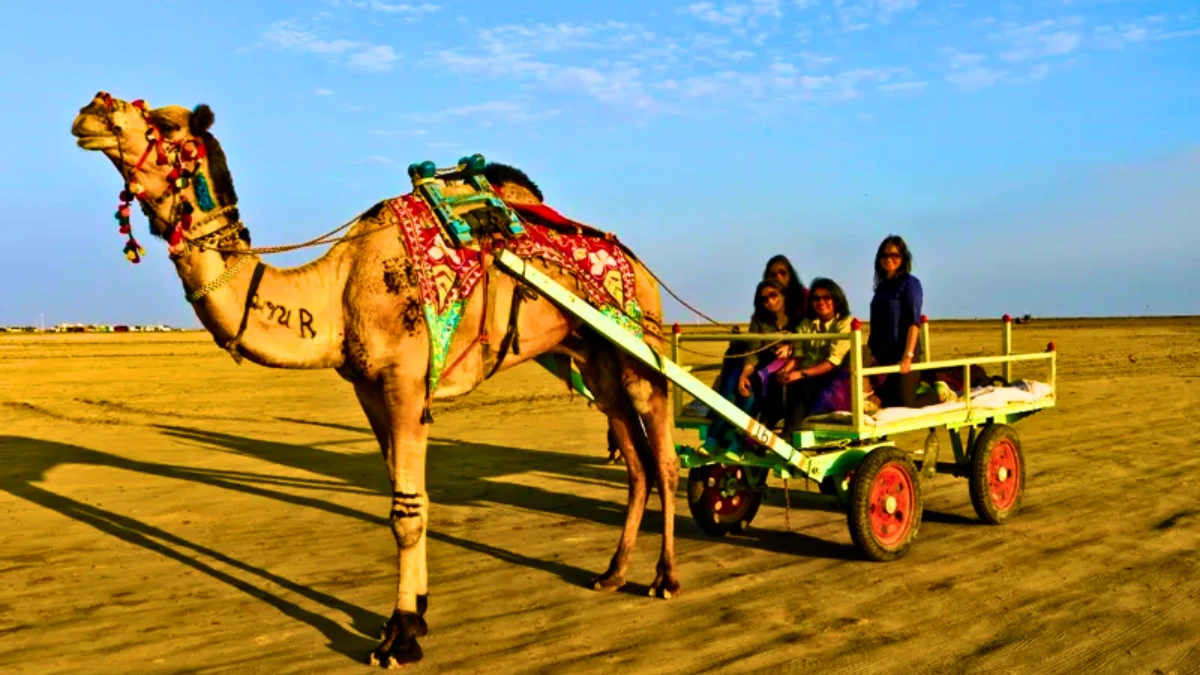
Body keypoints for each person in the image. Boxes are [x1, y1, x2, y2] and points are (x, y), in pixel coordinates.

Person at [701, 278, 798, 452]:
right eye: (764, 299)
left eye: (773, 295)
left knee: (750, 397)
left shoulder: (797, 319)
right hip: (757, 367)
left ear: (783, 295)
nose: (770, 301)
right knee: (732, 391)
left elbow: (806, 343)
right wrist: (744, 375)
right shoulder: (759, 320)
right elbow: (752, 351)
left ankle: (732, 439)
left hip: (779, 373)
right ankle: (714, 439)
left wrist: (791, 347)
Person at [772, 278, 858, 435]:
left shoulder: (845, 323)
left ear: (836, 299)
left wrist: (800, 374)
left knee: (800, 388)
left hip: (833, 378)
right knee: (775, 380)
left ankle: (787, 435)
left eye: (826, 298)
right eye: (816, 298)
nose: (821, 302)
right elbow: (798, 355)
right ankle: (762, 428)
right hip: (807, 375)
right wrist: (785, 371)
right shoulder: (806, 324)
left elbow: (833, 362)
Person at [868, 235, 939, 409]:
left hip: (904, 354)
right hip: (882, 356)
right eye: (884, 256)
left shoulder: (910, 283)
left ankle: (939, 394)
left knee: (906, 404)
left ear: (903, 258)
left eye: (894, 255)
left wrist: (907, 356)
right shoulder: (881, 287)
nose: (889, 260)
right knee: (884, 402)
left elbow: (913, 322)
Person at [762, 254, 809, 323]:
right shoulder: (763, 299)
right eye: (773, 275)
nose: (778, 277)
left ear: (790, 275)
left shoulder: (804, 295)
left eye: (782, 273)